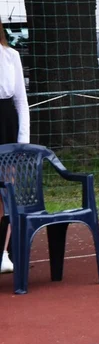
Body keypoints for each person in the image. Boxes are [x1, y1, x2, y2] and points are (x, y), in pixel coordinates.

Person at [0, 23, 29, 274]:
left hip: (6, 122)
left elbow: (21, 100)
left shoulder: (11, 56)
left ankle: (4, 251)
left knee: (7, 189)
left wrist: (23, 142)